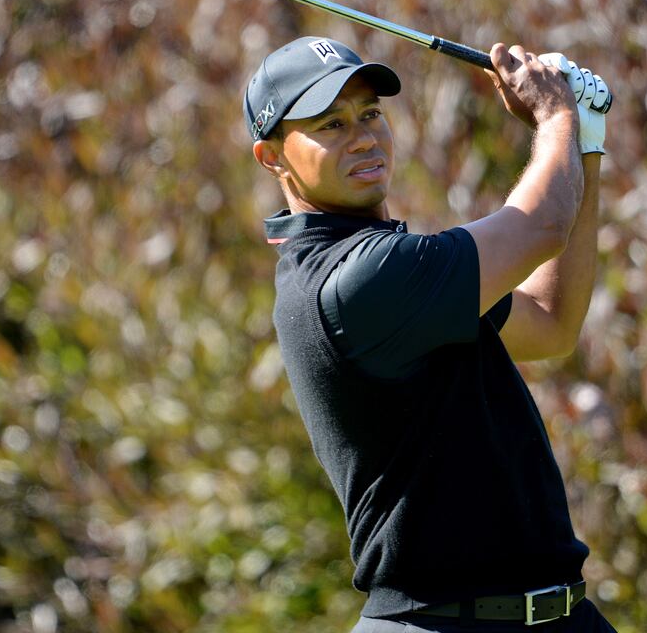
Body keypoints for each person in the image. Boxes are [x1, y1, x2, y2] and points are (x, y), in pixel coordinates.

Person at [244, 35, 616, 632]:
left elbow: (550, 322)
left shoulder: (395, 268)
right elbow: (543, 226)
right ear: (272, 158)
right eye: (330, 125)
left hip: (558, 616)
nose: (363, 137)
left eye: (370, 114)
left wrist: (585, 144)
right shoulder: (359, 282)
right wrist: (556, 116)